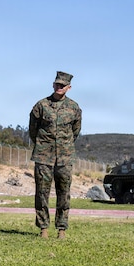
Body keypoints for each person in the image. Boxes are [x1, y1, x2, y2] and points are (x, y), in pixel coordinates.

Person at [28, 71, 82, 240]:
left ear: (69, 88)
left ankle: (61, 228)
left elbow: (76, 131)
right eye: (57, 84)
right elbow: (33, 130)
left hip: (65, 156)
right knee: (42, 192)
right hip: (44, 155)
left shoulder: (74, 107)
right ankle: (43, 227)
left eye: (63, 85)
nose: (59, 87)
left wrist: (65, 145)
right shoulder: (41, 105)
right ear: (53, 85)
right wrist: (43, 144)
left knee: (64, 192)